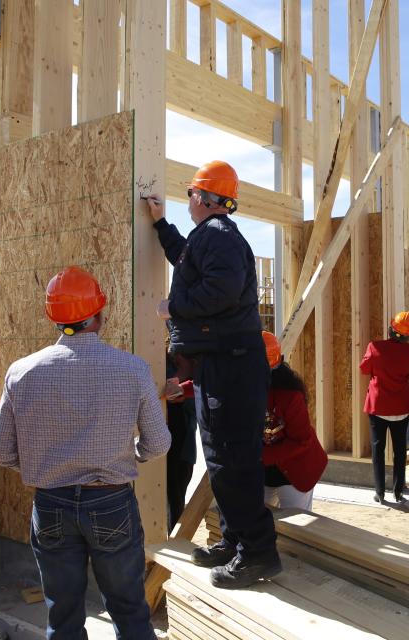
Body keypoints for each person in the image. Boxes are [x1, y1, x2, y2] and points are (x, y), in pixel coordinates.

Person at [0, 267, 170, 640]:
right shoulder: (132, 369)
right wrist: (128, 456)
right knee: (128, 608)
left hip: (51, 505)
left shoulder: (21, 372)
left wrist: (47, 463)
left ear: (52, 317)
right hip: (111, 501)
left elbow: (3, 453)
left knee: (63, 615)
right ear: (100, 314)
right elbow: (159, 443)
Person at [145, 160, 280, 590]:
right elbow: (185, 259)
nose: (188, 201)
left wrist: (174, 308)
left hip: (231, 365)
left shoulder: (219, 237)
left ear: (203, 198)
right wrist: (161, 224)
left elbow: (219, 290)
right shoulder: (209, 238)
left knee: (232, 460)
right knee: (222, 459)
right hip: (222, 364)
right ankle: (237, 540)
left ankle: (258, 554)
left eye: (190, 195)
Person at [260, 331, 328, 510]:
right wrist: (183, 390)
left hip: (297, 470)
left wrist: (262, 456)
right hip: (264, 470)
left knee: (295, 526)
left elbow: (302, 441)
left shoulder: (290, 396)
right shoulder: (245, 386)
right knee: (259, 524)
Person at [360, 311, 409, 504]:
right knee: (400, 450)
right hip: (401, 406)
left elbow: (363, 369)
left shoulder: (375, 347)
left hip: (379, 406)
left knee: (378, 449)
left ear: (391, 329)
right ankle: (398, 491)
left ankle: (380, 492)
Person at [165, 348, 198, 530]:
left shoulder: (195, 369)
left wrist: (181, 395)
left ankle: (174, 541)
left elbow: (197, 406)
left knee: (175, 500)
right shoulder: (160, 364)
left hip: (182, 450)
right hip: (159, 448)